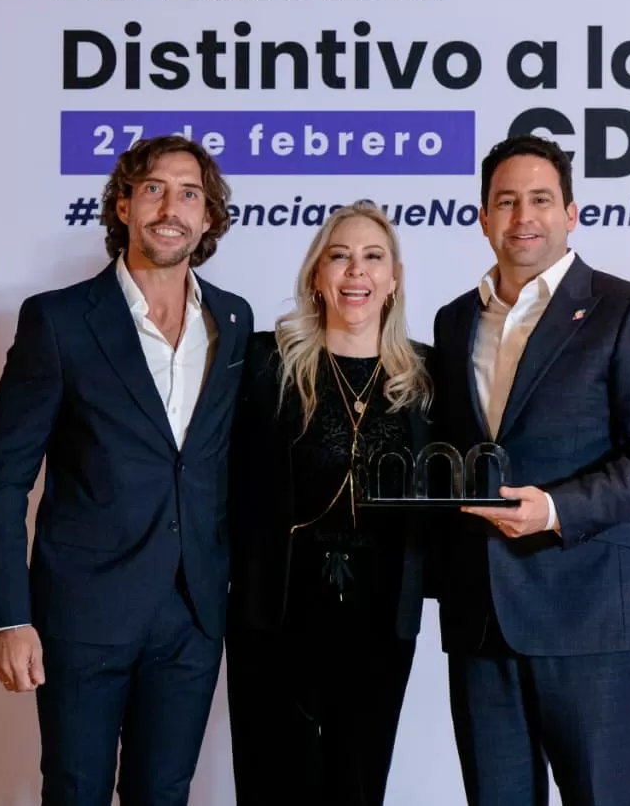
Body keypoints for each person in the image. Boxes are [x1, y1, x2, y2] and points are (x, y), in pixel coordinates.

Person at [0, 135, 253, 806]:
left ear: (209, 217)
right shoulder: (59, 320)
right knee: (76, 792)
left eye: (190, 194)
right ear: (123, 205)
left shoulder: (233, 320)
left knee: (165, 793)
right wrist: (8, 615)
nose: (171, 208)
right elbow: (4, 479)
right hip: (82, 611)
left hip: (193, 613)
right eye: (154, 188)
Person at [429, 134, 630, 806]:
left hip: (588, 612)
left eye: (541, 199)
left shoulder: (628, 310)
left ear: (571, 213)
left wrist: (554, 509)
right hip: (481, 617)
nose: (523, 217)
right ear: (482, 217)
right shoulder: (454, 321)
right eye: (506, 201)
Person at [225, 201, 436, 806]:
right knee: (271, 785)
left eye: (373, 258)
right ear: (317, 274)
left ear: (393, 278)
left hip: (380, 619)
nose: (355, 271)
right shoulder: (264, 362)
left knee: (359, 786)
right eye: (339, 256)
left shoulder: (428, 375)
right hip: (275, 612)